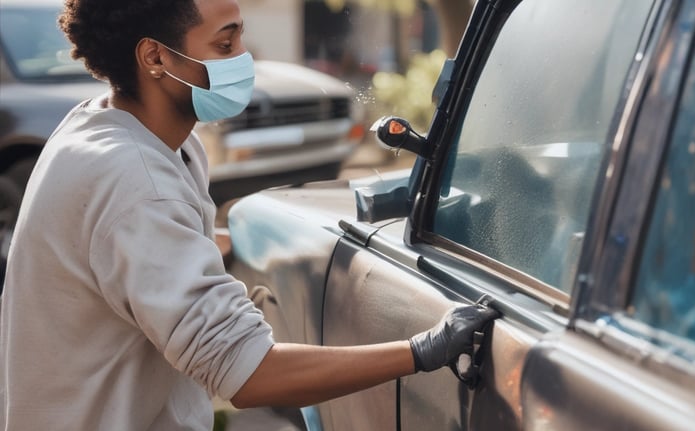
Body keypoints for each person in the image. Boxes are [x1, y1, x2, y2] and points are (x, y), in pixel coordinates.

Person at [0, 0, 499, 429]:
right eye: (224, 44)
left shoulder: (113, 129)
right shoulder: (135, 181)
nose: (243, 58)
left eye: (241, 37)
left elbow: (138, 252)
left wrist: (234, 241)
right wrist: (420, 350)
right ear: (154, 57)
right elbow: (249, 374)